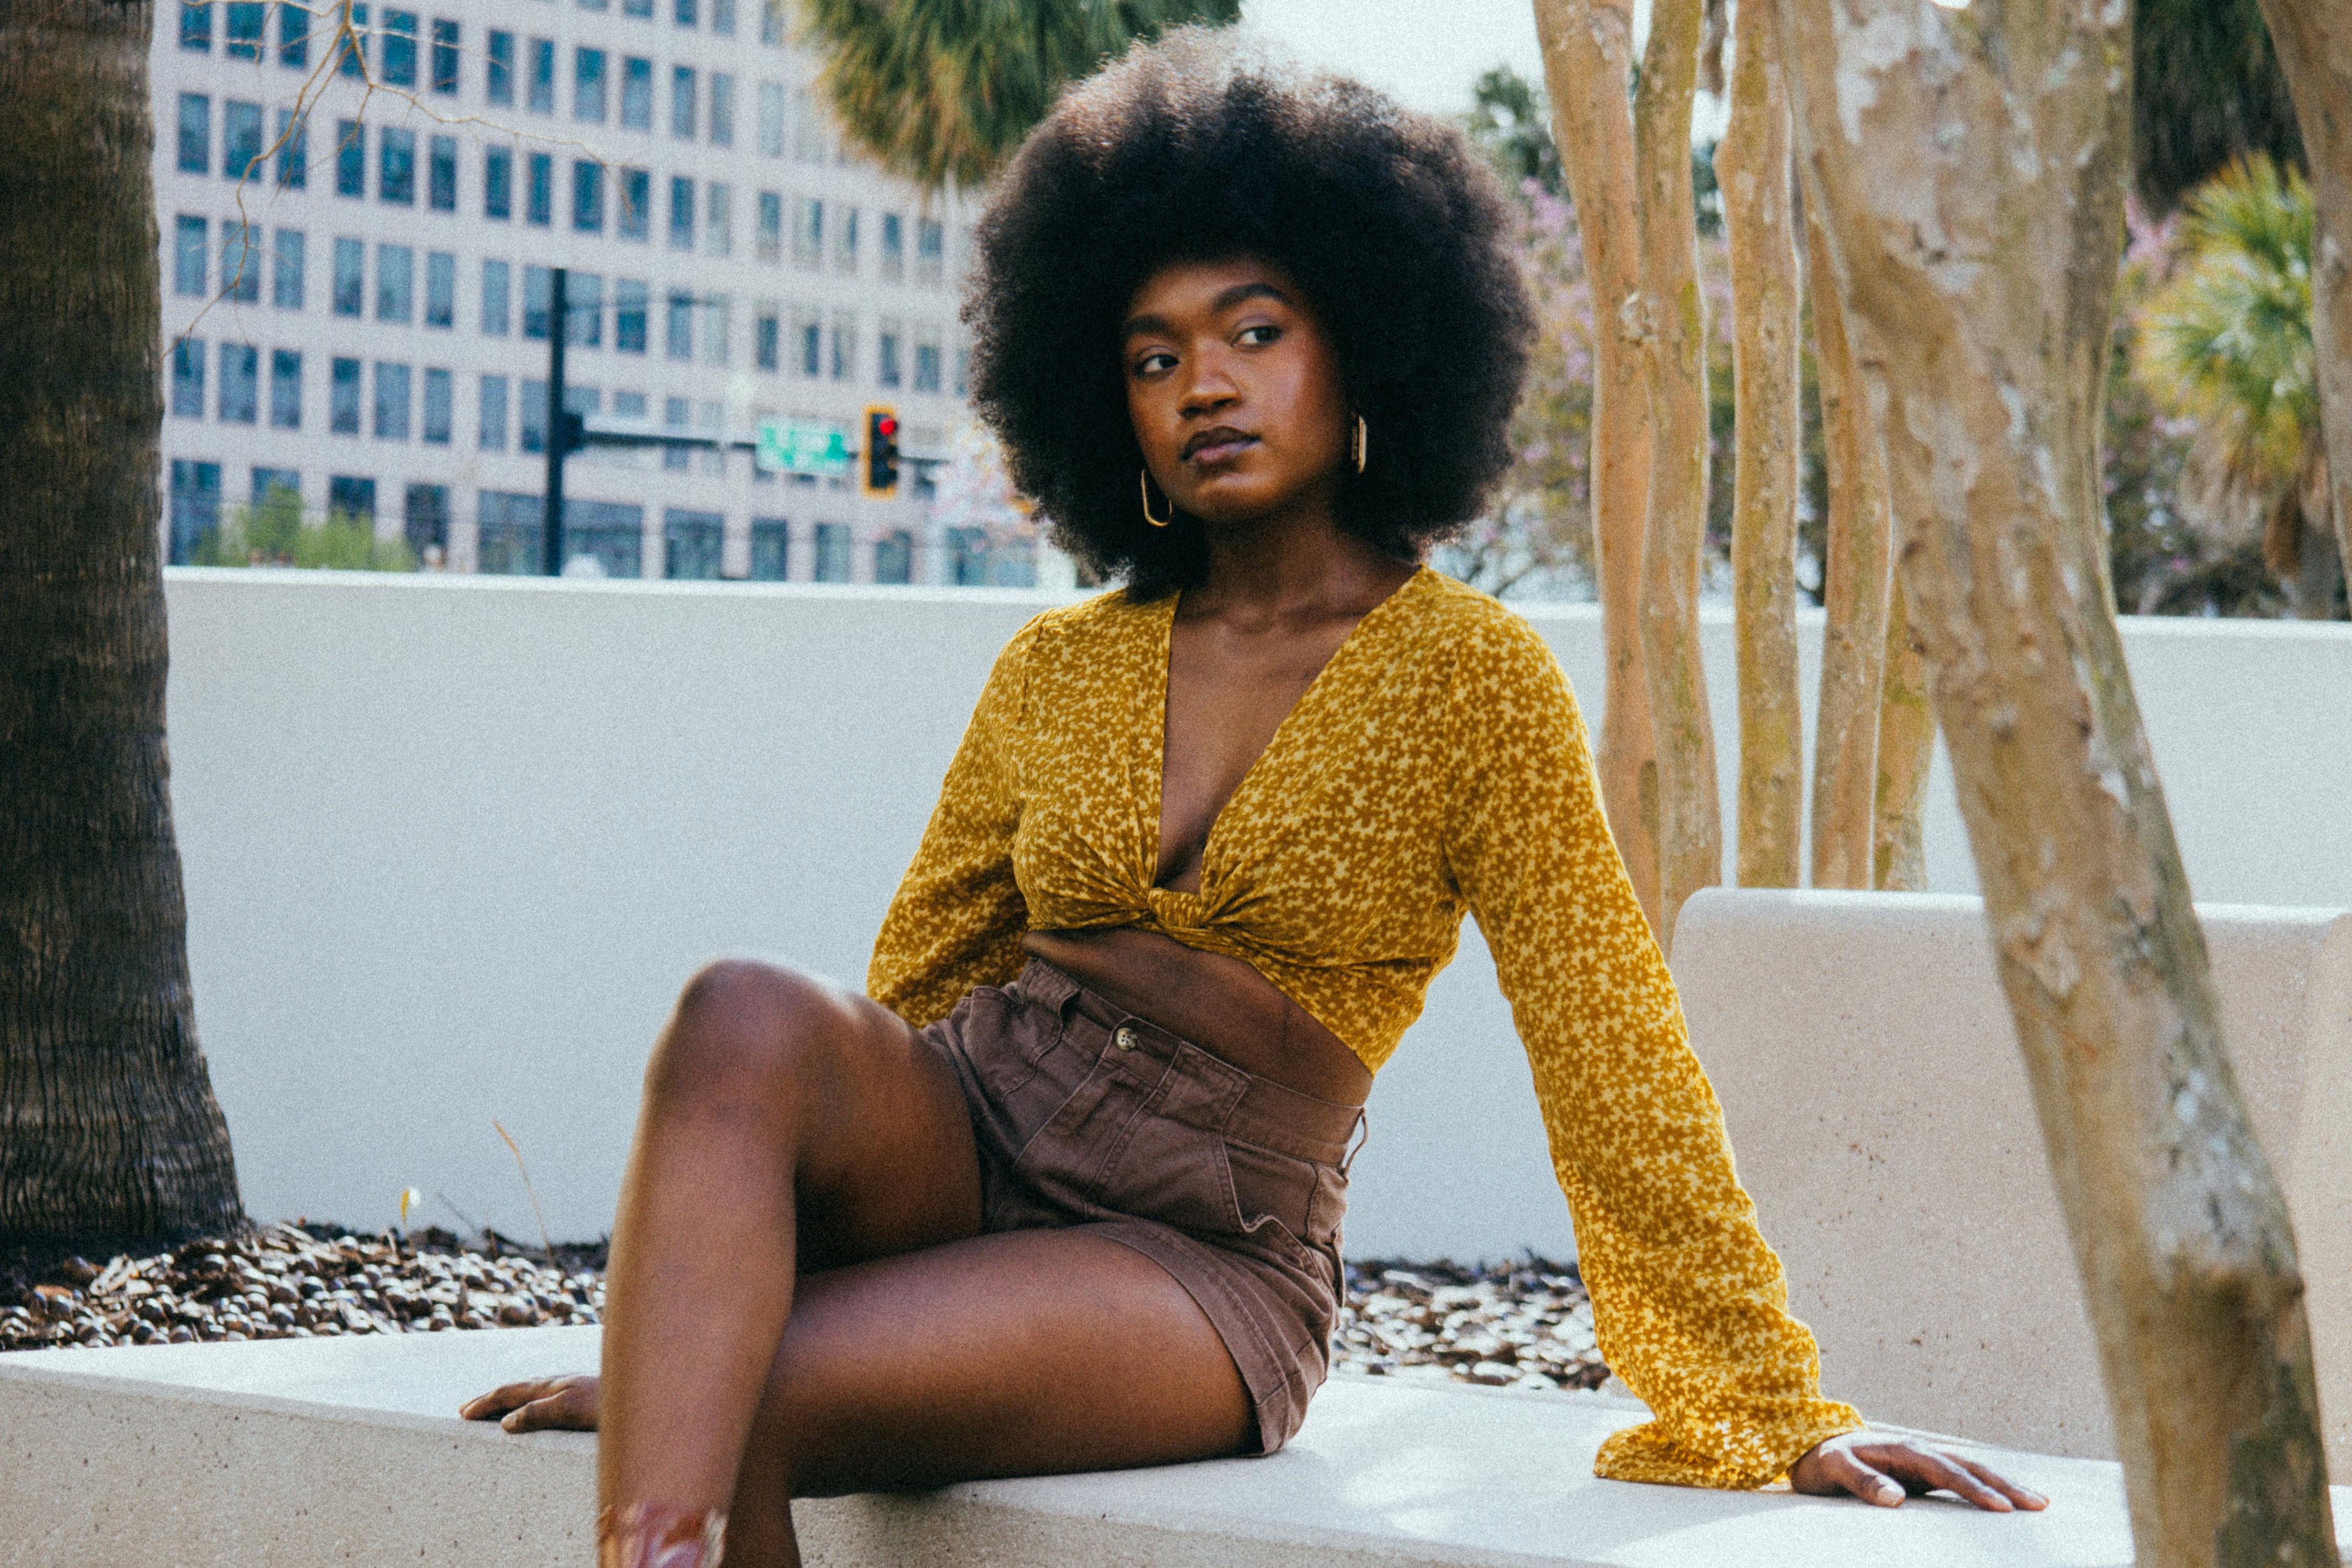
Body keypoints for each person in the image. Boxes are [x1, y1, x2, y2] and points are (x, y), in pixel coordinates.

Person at [461, 32, 2046, 1566]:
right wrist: (691, 1317)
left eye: (1254, 333)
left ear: (1364, 344)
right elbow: (915, 994)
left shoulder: (1468, 679)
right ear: (1110, 407)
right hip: (973, 1125)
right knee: (739, 1010)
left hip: (1199, 1250)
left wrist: (1770, 1405)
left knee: (750, 1395)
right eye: (1154, 356)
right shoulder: (1057, 667)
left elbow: (1610, 1044)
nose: (1202, 385)